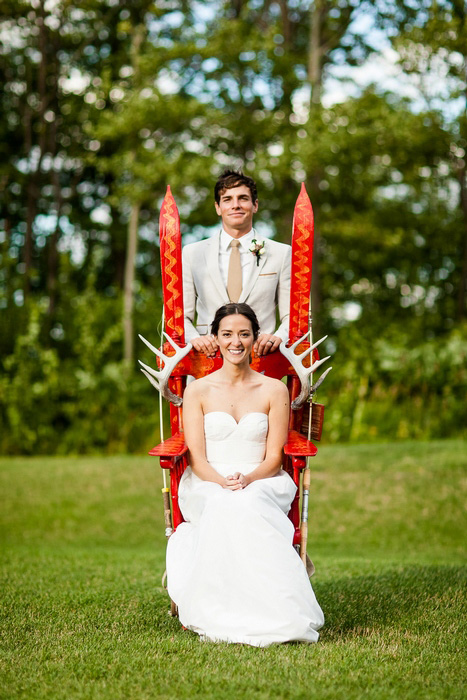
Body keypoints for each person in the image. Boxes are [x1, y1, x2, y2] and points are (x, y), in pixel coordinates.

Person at [166, 303, 324, 646]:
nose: (235, 342)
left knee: (248, 503)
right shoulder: (198, 390)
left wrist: (249, 479)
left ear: (255, 338)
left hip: (263, 478)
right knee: (224, 504)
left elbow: (274, 457)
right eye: (226, 334)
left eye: (243, 334)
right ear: (215, 339)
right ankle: (219, 609)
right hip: (208, 478)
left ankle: (277, 612)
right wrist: (220, 481)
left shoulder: (274, 390)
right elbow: (196, 458)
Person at [182, 170, 291, 358]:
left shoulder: (281, 253)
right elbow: (180, 315)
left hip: (261, 360)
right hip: (207, 359)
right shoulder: (193, 253)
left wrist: (278, 337)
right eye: (227, 199)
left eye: (243, 198)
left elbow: (293, 316)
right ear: (218, 207)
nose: (235, 205)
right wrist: (194, 338)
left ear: (255, 205)